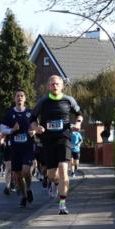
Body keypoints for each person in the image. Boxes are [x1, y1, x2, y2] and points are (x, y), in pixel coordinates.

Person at [30, 75, 83, 215]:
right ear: (48, 86)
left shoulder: (69, 100)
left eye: (57, 84)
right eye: (52, 84)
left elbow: (79, 114)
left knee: (63, 169)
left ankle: (62, 204)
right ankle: (54, 182)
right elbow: (32, 118)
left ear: (62, 86)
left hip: (64, 138)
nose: (55, 86)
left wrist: (78, 123)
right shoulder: (43, 101)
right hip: (48, 141)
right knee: (52, 174)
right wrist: (36, 128)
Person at [0, 89, 36, 208]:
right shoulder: (10, 113)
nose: (20, 97)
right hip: (15, 149)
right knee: (18, 176)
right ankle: (24, 196)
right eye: (17, 96)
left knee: (26, 171)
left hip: (27, 148)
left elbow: (35, 127)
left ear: (25, 98)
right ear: (14, 98)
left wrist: (34, 132)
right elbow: (2, 129)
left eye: (22, 96)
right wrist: (12, 130)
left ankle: (29, 188)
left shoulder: (30, 113)